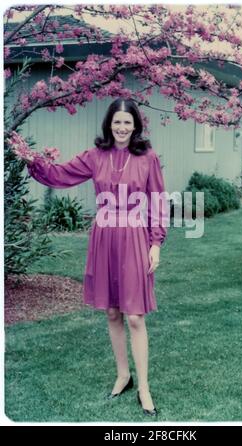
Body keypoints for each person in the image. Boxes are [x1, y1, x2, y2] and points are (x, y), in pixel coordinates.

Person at [25, 98, 168, 417]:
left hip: (134, 236)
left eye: (127, 122)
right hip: (104, 237)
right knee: (113, 313)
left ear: (136, 126)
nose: (122, 127)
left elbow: (158, 200)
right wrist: (29, 159)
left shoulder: (148, 158)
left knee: (135, 316)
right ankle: (123, 375)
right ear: (109, 124)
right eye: (117, 122)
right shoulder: (95, 156)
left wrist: (156, 242)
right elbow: (59, 174)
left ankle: (144, 386)